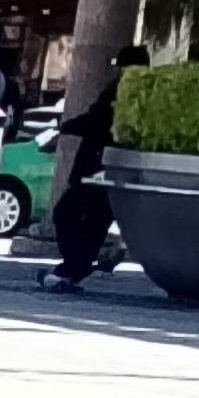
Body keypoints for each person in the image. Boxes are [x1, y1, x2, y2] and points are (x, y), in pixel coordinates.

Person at [47, 44, 146, 289]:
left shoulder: (121, 92)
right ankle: (75, 267)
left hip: (96, 165)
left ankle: (74, 264)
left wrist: (66, 127)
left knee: (66, 213)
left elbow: (96, 121)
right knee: (95, 221)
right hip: (110, 167)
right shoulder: (139, 93)